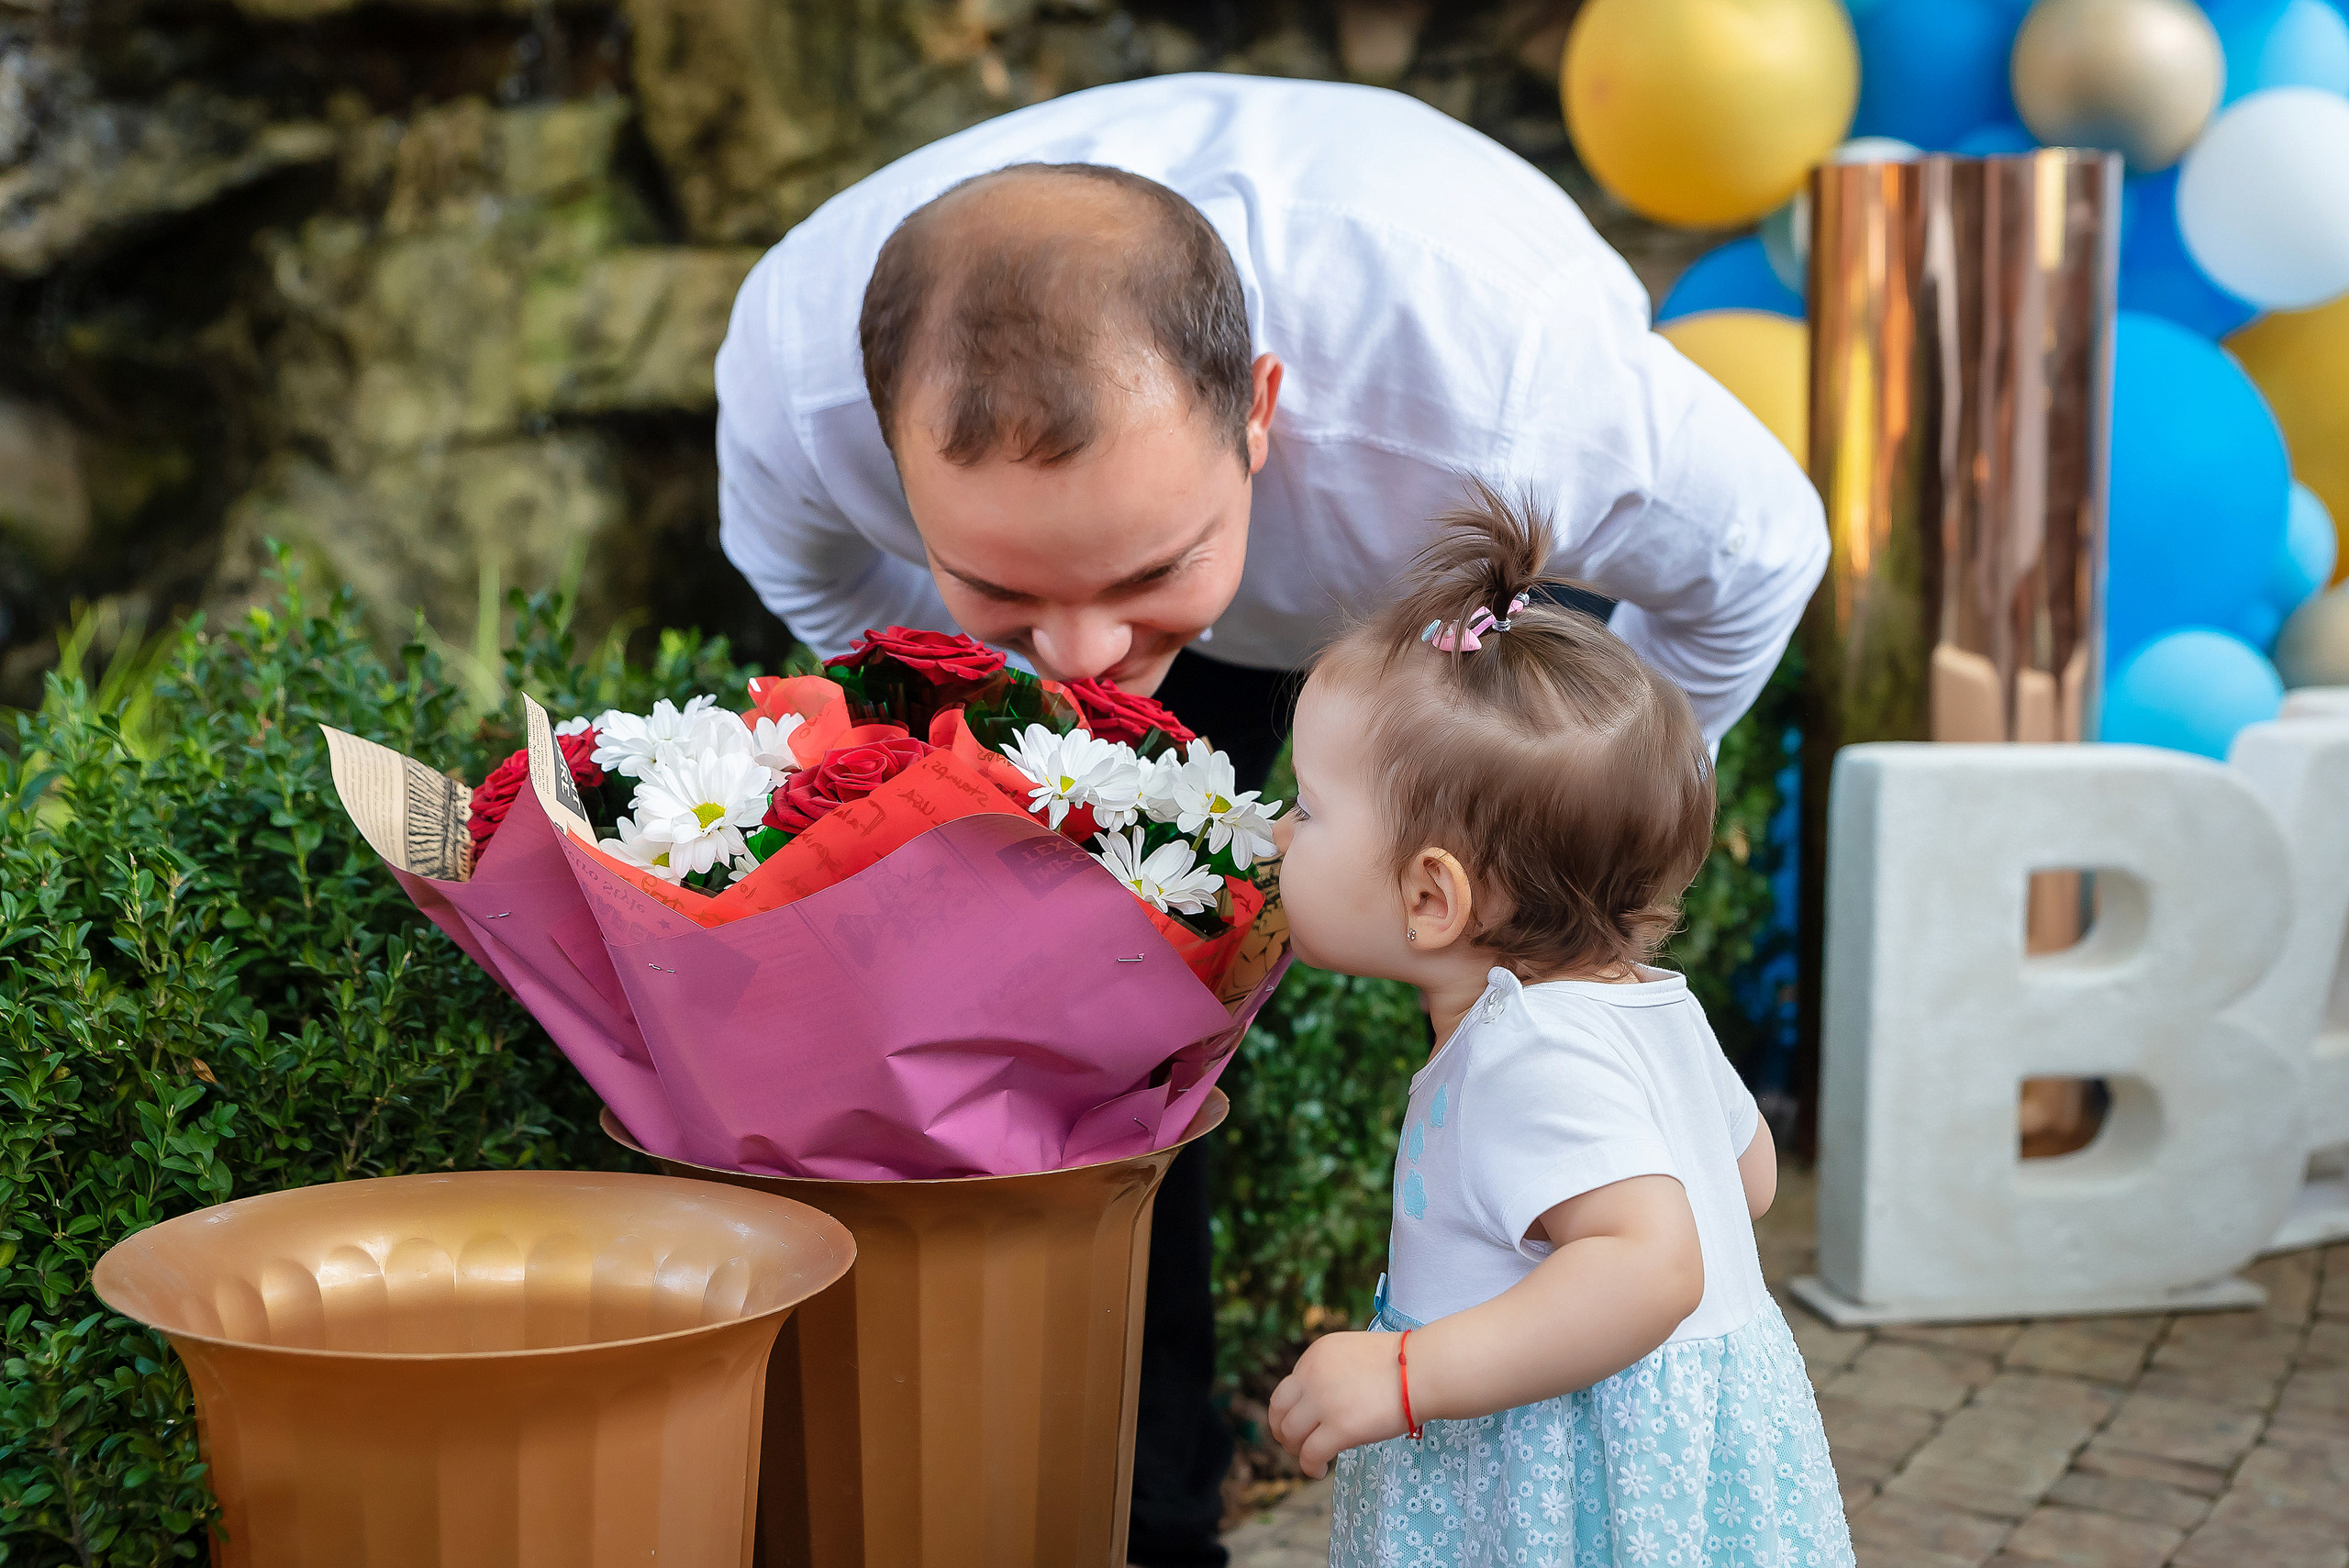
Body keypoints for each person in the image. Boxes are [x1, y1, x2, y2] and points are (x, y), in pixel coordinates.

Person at [715, 73, 1828, 1567]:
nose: (1092, 650)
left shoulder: (1499, 393)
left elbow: (1767, 552)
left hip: (1425, 577)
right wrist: (1001, 734)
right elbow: (858, 627)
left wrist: (1560, 854)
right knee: (1103, 1037)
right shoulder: (794, 402)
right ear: (888, 454)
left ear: (1259, 412)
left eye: (1144, 570)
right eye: (1008, 582)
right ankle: (1140, 1521)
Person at [1261, 485, 1851, 1565]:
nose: (1276, 830)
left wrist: (1407, 1375)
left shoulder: (1525, 1052)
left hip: (1563, 1482)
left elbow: (1654, 1263)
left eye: (1307, 808)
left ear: (1431, 898)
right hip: (1680, 1465)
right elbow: (1744, 1180)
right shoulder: (1646, 1000)